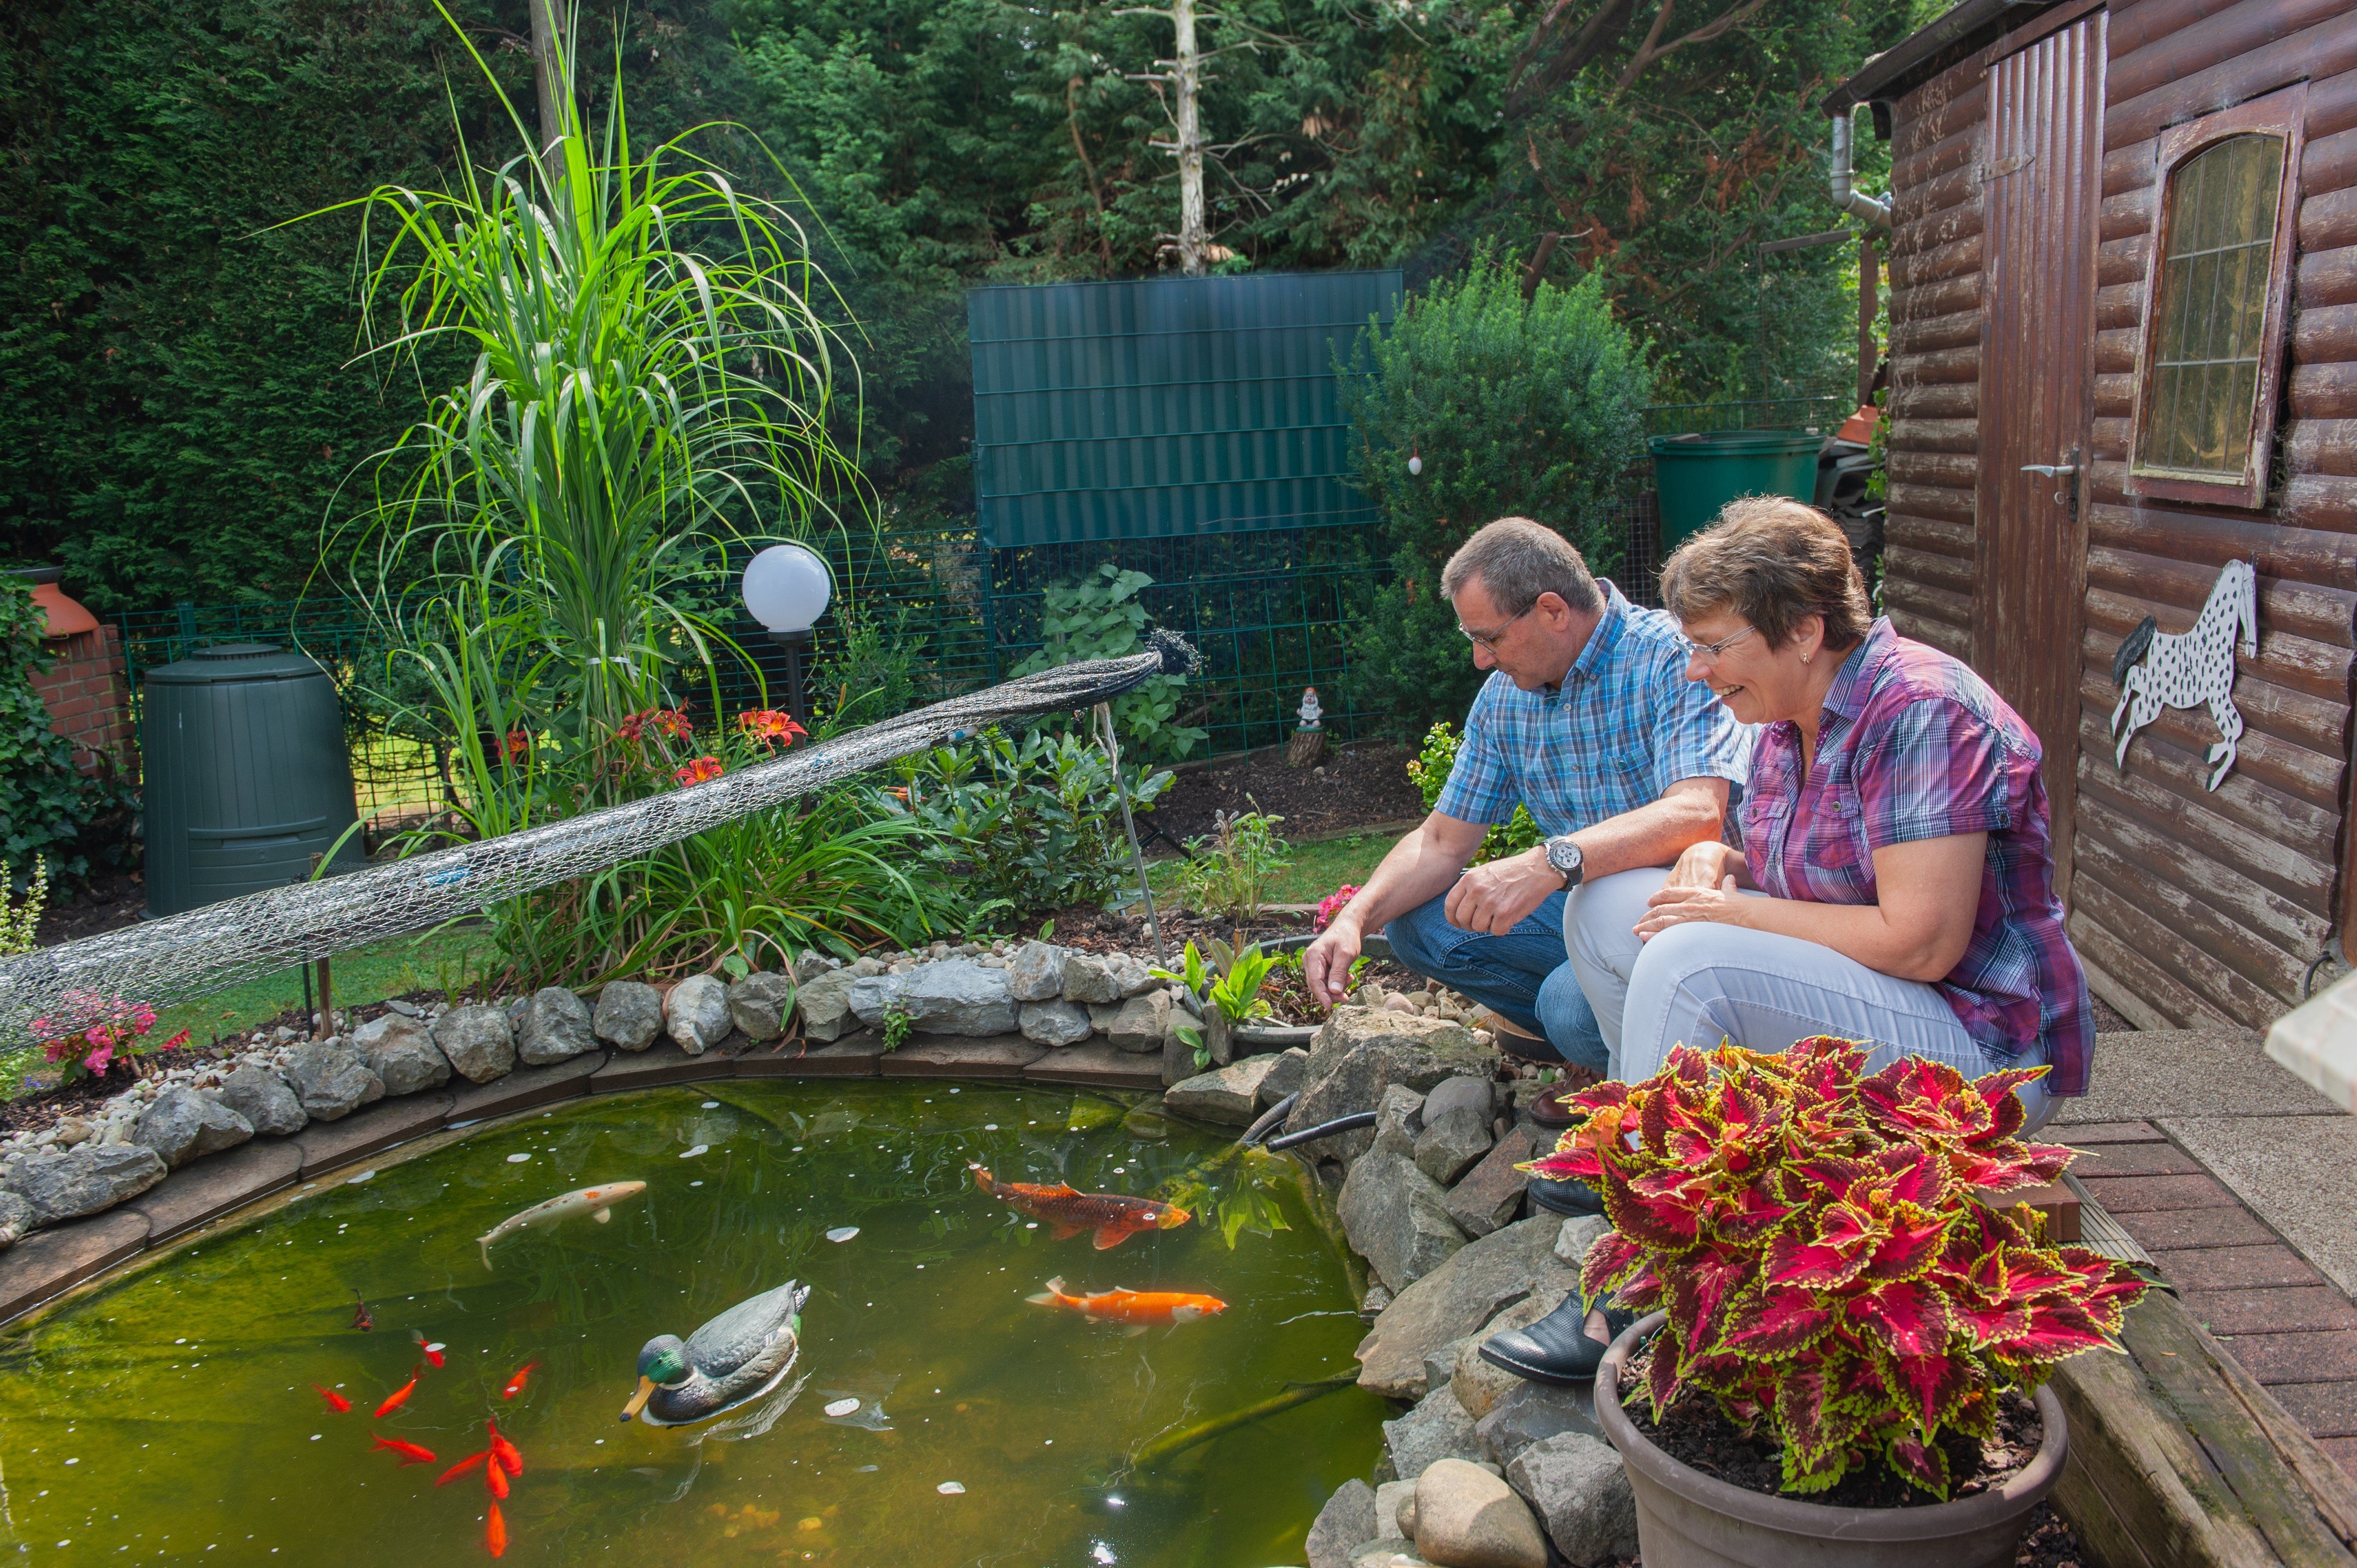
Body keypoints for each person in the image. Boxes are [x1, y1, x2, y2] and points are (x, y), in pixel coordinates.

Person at [1479, 496, 2092, 1387]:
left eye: (1713, 645)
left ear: (1803, 630)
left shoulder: (1918, 710)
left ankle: (1644, 1272)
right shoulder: (1783, 719)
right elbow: (1805, 869)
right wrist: (1715, 865)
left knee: (1693, 958)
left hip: (1981, 1058)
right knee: (1607, 907)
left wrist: (1733, 914)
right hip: (1891, 1011)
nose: (1694, 670)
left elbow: (1920, 942)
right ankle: (1680, 1164)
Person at [1304, 517, 1752, 1108]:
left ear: (1551, 611)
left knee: (1565, 1006)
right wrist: (1354, 919)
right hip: (1576, 906)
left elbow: (1697, 813)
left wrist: (1550, 861)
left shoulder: (1671, 659)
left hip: (1683, 915)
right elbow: (1440, 842)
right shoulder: (1504, 701)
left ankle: (1638, 1072)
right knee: (1419, 925)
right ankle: (1607, 1043)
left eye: (1488, 638)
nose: (1479, 660)